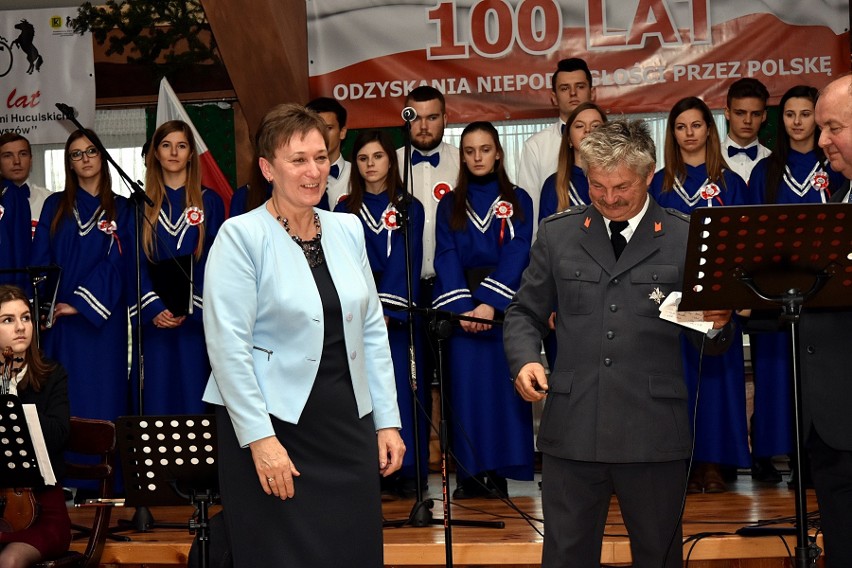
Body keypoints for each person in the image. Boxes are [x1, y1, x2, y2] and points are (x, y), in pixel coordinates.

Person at [503, 119, 734, 568]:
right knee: (566, 556)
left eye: (622, 187)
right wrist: (525, 360)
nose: (609, 199)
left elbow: (713, 341)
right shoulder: (558, 233)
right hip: (572, 432)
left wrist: (718, 325)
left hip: (652, 434)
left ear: (650, 177)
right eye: (597, 185)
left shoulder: (685, 237)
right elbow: (524, 313)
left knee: (658, 555)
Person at [202, 103, 405, 567]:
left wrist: (386, 421)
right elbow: (228, 348)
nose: (314, 171)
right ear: (267, 168)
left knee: (353, 553)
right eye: (298, 160)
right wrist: (260, 439)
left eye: (321, 157)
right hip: (274, 427)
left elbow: (372, 330)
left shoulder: (347, 228)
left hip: (346, 425)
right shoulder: (240, 236)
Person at [650, 96, 752, 493]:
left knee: (715, 381)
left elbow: (745, 244)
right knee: (677, 380)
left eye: (696, 125)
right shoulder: (657, 183)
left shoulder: (732, 183)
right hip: (672, 298)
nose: (689, 133)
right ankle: (682, 461)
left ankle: (713, 462)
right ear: (672, 134)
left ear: (709, 130)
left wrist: (732, 293)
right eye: (681, 126)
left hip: (718, 295)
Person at [746, 85, 846, 484]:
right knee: (777, 376)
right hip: (779, 293)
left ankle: (815, 455)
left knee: (822, 380)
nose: (800, 123)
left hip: (829, 292)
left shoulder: (837, 167)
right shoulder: (765, 170)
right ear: (780, 120)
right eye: (791, 114)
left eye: (808, 114)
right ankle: (774, 452)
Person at [433, 121, 534, 499]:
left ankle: (499, 472)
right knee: (466, 392)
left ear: (498, 152)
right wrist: (464, 309)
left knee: (503, 393)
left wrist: (490, 304)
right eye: (470, 151)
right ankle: (470, 475)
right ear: (462, 156)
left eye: (485, 149)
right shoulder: (449, 202)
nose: (478, 157)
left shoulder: (519, 198)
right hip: (462, 311)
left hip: (503, 307)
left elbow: (519, 249)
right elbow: (445, 254)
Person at [335, 129, 428, 498]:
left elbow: (408, 257)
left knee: (403, 390)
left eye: (377, 156)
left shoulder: (410, 206)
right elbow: (342, 265)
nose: (371, 164)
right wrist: (364, 309)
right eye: (362, 158)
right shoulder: (343, 210)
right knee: (361, 393)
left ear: (391, 159)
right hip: (357, 316)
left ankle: (408, 473)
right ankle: (368, 472)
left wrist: (387, 308)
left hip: (398, 318)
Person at [31, 129, 128, 425]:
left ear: (103, 157)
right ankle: (63, 472)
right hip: (59, 324)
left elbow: (120, 263)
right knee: (63, 400)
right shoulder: (55, 205)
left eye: (91, 151)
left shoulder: (123, 207)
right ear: (69, 163)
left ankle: (106, 472)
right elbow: (40, 262)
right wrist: (44, 309)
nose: (85, 158)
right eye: (76, 154)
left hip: (102, 323)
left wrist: (78, 304)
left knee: (102, 400)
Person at [129, 120, 225, 415]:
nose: (174, 152)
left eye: (181, 146)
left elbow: (216, 258)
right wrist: (154, 307)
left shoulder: (210, 201)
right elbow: (132, 261)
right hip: (155, 322)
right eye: (166, 145)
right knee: (157, 400)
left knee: (195, 398)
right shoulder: (139, 205)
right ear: (155, 153)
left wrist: (189, 307)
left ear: (190, 154)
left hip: (194, 322)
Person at [0, 285, 71, 567]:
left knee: (11, 560)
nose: (21, 327)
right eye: (8, 320)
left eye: (26, 318)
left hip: (44, 508)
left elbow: (58, 436)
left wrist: (11, 396)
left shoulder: (53, 375)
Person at [517, 57, 596, 225]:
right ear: (554, 97)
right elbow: (530, 208)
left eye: (580, 87)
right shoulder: (536, 146)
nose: (573, 93)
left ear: (593, 92)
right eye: (564, 88)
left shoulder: (617, 143)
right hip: (555, 245)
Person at [539, 101, 608, 221]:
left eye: (596, 126)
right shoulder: (553, 185)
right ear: (569, 139)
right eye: (579, 126)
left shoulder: (622, 178)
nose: (588, 130)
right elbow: (546, 237)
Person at [0, 133, 52, 236]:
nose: (17, 161)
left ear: (31, 160)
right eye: (7, 156)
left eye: (23, 154)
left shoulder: (49, 200)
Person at [724, 78, 771, 182]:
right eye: (740, 113)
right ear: (727, 113)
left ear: (763, 116)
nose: (748, 121)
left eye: (755, 114)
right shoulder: (708, 159)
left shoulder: (774, 161)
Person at [306, 97, 351, 208]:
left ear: (342, 132)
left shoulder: (357, 175)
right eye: (315, 128)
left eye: (328, 128)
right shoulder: (295, 174)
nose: (322, 135)